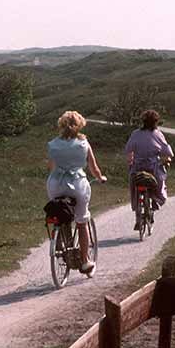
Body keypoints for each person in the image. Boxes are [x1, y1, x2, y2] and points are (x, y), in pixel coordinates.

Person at [47, 111, 106, 275]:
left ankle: (59, 242)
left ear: (61, 125)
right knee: (81, 221)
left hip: (55, 185)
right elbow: (94, 168)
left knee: (59, 214)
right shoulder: (83, 143)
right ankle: (85, 261)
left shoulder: (52, 144)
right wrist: (100, 177)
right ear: (79, 125)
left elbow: (50, 167)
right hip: (77, 184)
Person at [125, 109, 174, 227]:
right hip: (153, 168)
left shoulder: (135, 133)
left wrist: (131, 160)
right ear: (156, 122)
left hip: (138, 167)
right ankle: (156, 200)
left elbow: (128, 149)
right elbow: (168, 152)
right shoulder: (158, 134)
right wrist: (165, 158)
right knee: (159, 181)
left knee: (134, 183)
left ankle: (137, 214)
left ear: (143, 121)